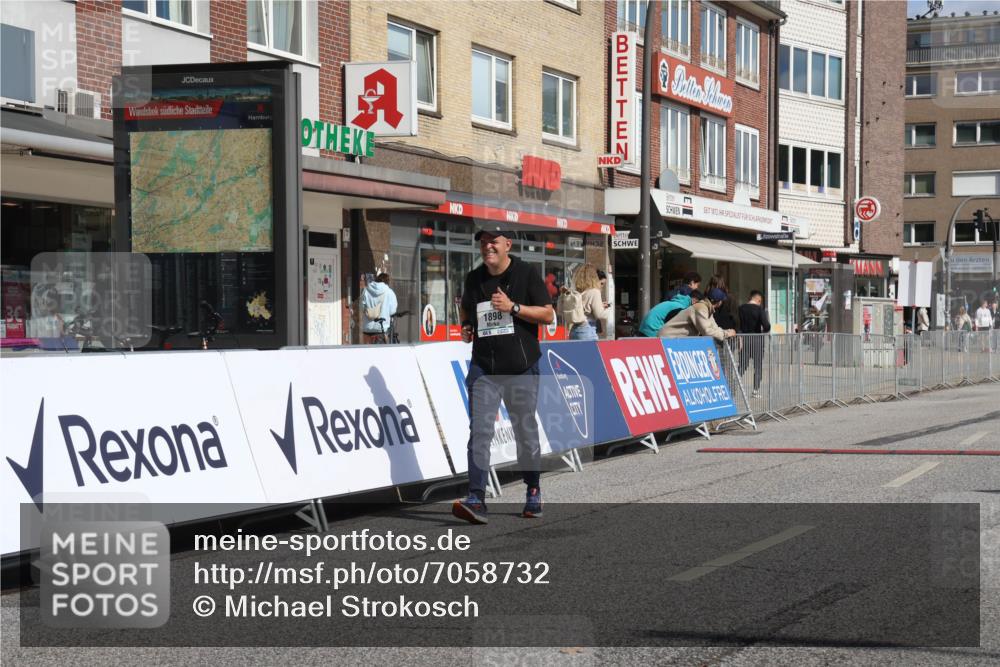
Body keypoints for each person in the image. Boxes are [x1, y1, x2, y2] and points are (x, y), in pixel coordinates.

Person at [453, 224, 554, 525]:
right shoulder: (474, 278)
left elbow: (548, 314)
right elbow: (466, 310)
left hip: (521, 367)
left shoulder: (526, 273)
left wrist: (514, 307)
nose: (487, 247)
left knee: (525, 430)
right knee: (480, 431)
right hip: (484, 367)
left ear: (507, 244)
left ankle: (533, 489)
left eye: (493, 242)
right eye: (483, 243)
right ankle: (476, 498)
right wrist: (467, 327)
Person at [637, 271, 701, 337]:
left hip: (644, 328)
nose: (697, 288)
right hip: (652, 331)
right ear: (692, 282)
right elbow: (674, 324)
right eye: (697, 285)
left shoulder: (675, 294)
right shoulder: (682, 303)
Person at [658, 287, 736, 341]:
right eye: (721, 300)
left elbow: (714, 328)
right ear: (718, 302)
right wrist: (726, 334)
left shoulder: (708, 309)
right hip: (668, 338)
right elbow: (707, 331)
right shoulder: (701, 308)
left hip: (674, 339)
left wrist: (727, 332)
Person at [738, 290, 771, 397]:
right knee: (758, 366)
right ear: (758, 300)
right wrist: (763, 331)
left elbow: (738, 324)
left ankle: (732, 386)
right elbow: (766, 326)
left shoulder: (741, 308)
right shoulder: (759, 309)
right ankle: (755, 391)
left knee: (743, 365)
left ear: (750, 297)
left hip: (744, 339)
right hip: (757, 340)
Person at [563, 264, 608, 341]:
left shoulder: (578, 291)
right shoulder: (594, 291)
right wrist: (610, 311)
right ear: (594, 277)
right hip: (587, 330)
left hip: (574, 330)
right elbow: (599, 314)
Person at [361, 273, 398, 341]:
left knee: (366, 351)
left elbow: (362, 307)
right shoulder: (390, 292)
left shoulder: (366, 290)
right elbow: (392, 311)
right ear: (387, 282)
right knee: (382, 350)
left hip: (367, 329)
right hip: (382, 328)